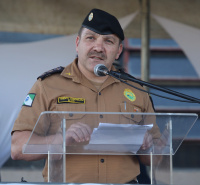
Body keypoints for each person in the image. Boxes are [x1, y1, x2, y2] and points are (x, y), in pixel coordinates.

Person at [11, 8, 161, 184]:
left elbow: (158, 156)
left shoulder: (137, 90)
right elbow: (18, 148)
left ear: (119, 51)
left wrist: (148, 146)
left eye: (108, 41)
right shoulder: (47, 86)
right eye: (90, 38)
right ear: (77, 43)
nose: (98, 47)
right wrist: (61, 139)